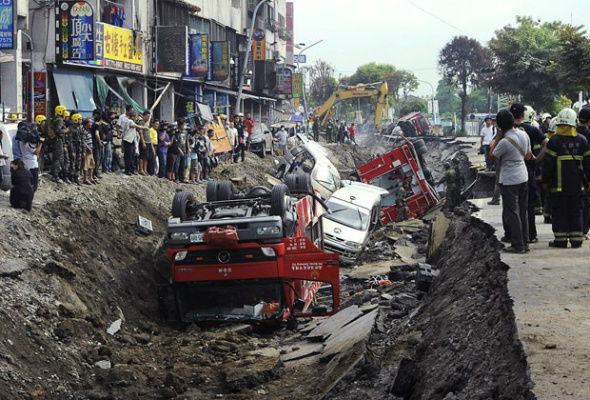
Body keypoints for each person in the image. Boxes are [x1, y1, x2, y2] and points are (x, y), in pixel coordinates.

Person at [543, 108, 590, 248]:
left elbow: (548, 164)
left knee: (560, 213)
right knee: (576, 212)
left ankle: (561, 240)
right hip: (578, 187)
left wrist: (545, 181)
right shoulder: (582, 141)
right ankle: (576, 240)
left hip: (559, 187)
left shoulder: (554, 141)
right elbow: (588, 165)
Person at [490, 109, 532, 254]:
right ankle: (525, 241)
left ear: (500, 126)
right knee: (522, 211)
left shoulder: (504, 142)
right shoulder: (524, 134)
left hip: (509, 180)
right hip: (523, 177)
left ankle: (518, 245)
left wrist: (497, 138)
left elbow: (492, 156)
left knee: (512, 212)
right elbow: (528, 156)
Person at [511, 103, 547, 244]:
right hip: (528, 171)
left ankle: (514, 235)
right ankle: (531, 235)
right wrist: (537, 160)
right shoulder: (532, 130)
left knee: (513, 206)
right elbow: (547, 143)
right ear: (523, 115)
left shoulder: (507, 131)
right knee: (529, 205)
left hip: (511, 174)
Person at [575, 107, 590, 239]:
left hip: (571, 173)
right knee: (585, 202)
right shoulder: (587, 134)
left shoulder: (573, 132)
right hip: (586, 173)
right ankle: (583, 230)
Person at [117, 106, 145, 176]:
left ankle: (132, 169)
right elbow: (137, 126)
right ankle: (127, 170)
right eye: (135, 116)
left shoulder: (131, 121)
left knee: (132, 156)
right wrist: (145, 127)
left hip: (131, 140)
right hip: (127, 140)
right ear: (132, 116)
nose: (136, 118)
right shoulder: (129, 121)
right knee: (128, 156)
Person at [19, 125, 43, 192]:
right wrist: (41, 143)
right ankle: (30, 195)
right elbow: (36, 152)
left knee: (28, 182)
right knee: (34, 183)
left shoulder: (21, 143)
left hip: (25, 164)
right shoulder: (28, 145)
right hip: (32, 165)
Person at [50, 105, 68, 183]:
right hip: (58, 142)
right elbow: (59, 131)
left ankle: (57, 174)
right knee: (57, 159)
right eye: (63, 111)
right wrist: (66, 131)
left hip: (55, 141)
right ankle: (56, 176)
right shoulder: (59, 120)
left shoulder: (55, 119)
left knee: (57, 158)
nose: (65, 113)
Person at [81, 118, 97, 185]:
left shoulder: (88, 130)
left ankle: (90, 177)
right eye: (90, 122)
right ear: (86, 123)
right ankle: (85, 179)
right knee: (86, 165)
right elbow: (82, 140)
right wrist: (87, 148)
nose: (91, 124)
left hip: (91, 149)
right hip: (87, 150)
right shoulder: (83, 130)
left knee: (92, 164)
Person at [69, 113, 84, 186]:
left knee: (78, 163)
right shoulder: (71, 128)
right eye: (79, 119)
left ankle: (76, 178)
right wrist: (72, 151)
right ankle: (71, 177)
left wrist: (83, 151)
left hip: (79, 148)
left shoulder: (81, 128)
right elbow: (70, 141)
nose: (81, 120)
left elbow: (82, 139)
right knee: (73, 163)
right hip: (74, 148)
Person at [138, 111, 153, 176]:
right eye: (147, 116)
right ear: (143, 116)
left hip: (148, 142)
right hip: (144, 142)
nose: (148, 118)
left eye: (149, 116)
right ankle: (141, 169)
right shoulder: (141, 122)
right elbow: (140, 133)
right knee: (142, 156)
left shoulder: (147, 123)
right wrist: (143, 142)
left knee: (146, 157)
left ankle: (145, 169)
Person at [91, 110, 104, 179]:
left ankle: (94, 172)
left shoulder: (92, 125)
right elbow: (97, 134)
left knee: (95, 158)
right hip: (96, 144)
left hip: (92, 143)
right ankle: (95, 172)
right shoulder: (97, 125)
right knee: (97, 158)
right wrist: (99, 142)